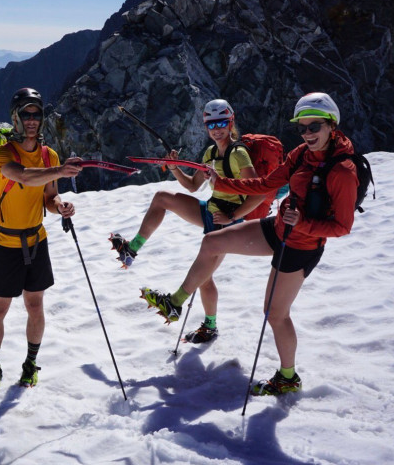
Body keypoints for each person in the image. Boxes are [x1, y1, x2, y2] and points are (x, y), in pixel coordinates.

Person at [140, 92, 358, 395]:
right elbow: (266, 184)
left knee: (275, 313)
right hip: (278, 228)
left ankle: (288, 378)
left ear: (331, 125)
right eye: (303, 128)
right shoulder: (300, 155)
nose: (307, 133)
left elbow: (342, 227)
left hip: (300, 246)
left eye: (314, 127)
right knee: (212, 243)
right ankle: (175, 303)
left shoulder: (343, 171)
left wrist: (302, 224)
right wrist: (225, 184)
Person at [111, 99, 265, 343]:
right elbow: (193, 186)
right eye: (211, 124)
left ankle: (206, 324)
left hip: (226, 221)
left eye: (222, 122)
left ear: (231, 122)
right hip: (212, 211)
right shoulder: (211, 153)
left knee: (204, 277)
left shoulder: (239, 154)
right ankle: (131, 249)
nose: (217, 128)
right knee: (163, 197)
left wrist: (233, 217)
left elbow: (259, 192)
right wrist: (174, 169)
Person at [0, 87, 82, 391]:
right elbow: (23, 177)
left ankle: (30, 363)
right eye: (26, 113)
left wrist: (59, 205)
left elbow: (48, 195)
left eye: (37, 113)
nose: (32, 119)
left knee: (35, 306)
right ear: (15, 117)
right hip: (5, 243)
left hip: (37, 240)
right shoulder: (3, 154)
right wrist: (59, 170)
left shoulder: (49, 155)